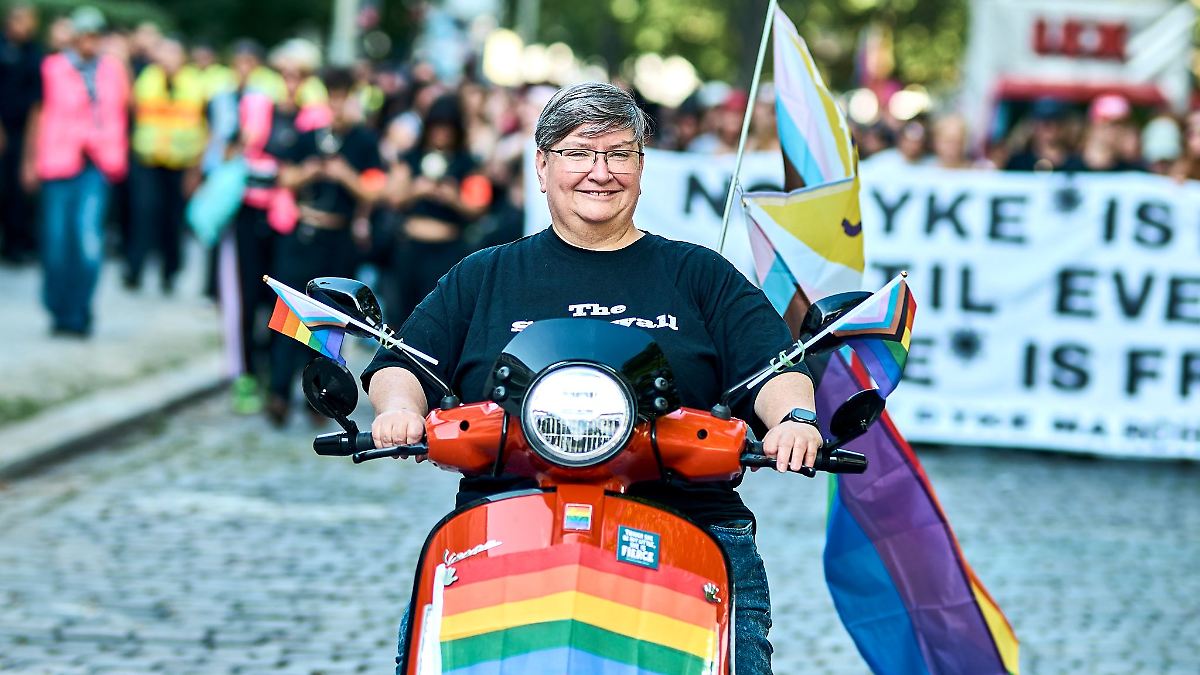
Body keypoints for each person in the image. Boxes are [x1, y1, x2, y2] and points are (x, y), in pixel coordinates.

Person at [363, 82, 822, 674]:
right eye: (578, 153)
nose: (599, 172)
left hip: (689, 525)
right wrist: (398, 409)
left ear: (640, 166)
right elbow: (402, 362)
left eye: (618, 154)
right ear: (542, 164)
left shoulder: (700, 273)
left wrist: (793, 419)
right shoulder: (488, 274)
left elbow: (776, 367)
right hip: (508, 520)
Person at [265, 66, 384, 425]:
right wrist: (312, 172)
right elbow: (284, 178)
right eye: (331, 96)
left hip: (339, 237)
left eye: (343, 97)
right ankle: (277, 393)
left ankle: (320, 399)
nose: (336, 104)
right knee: (288, 316)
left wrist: (344, 175)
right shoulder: (309, 137)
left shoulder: (364, 141)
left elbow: (375, 190)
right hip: (304, 232)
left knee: (331, 325)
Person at [23, 6, 129, 337]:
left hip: (96, 166)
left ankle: (80, 312)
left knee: (88, 242)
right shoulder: (53, 67)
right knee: (56, 242)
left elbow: (127, 108)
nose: (90, 42)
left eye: (96, 36)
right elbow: (38, 114)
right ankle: (58, 309)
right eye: (84, 35)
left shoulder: (112, 70)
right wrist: (29, 160)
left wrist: (123, 60)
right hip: (58, 163)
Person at [381, 93, 490, 321]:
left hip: (447, 249)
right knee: (401, 315)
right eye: (437, 127)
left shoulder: (467, 163)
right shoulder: (410, 158)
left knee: (440, 317)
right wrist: (417, 190)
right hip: (410, 247)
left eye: (447, 128)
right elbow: (391, 197)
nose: (441, 134)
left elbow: (479, 206)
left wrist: (454, 199)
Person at [125, 35, 207, 293]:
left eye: (174, 54)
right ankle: (134, 269)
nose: (168, 60)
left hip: (180, 163)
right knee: (143, 214)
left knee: (173, 220)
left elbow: (204, 127)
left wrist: (196, 168)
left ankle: (169, 273)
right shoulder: (146, 79)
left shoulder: (195, 84)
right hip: (147, 160)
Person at [0, 2, 42, 264]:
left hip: (21, 130)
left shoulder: (33, 53)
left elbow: (37, 100)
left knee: (18, 190)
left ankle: (16, 245)